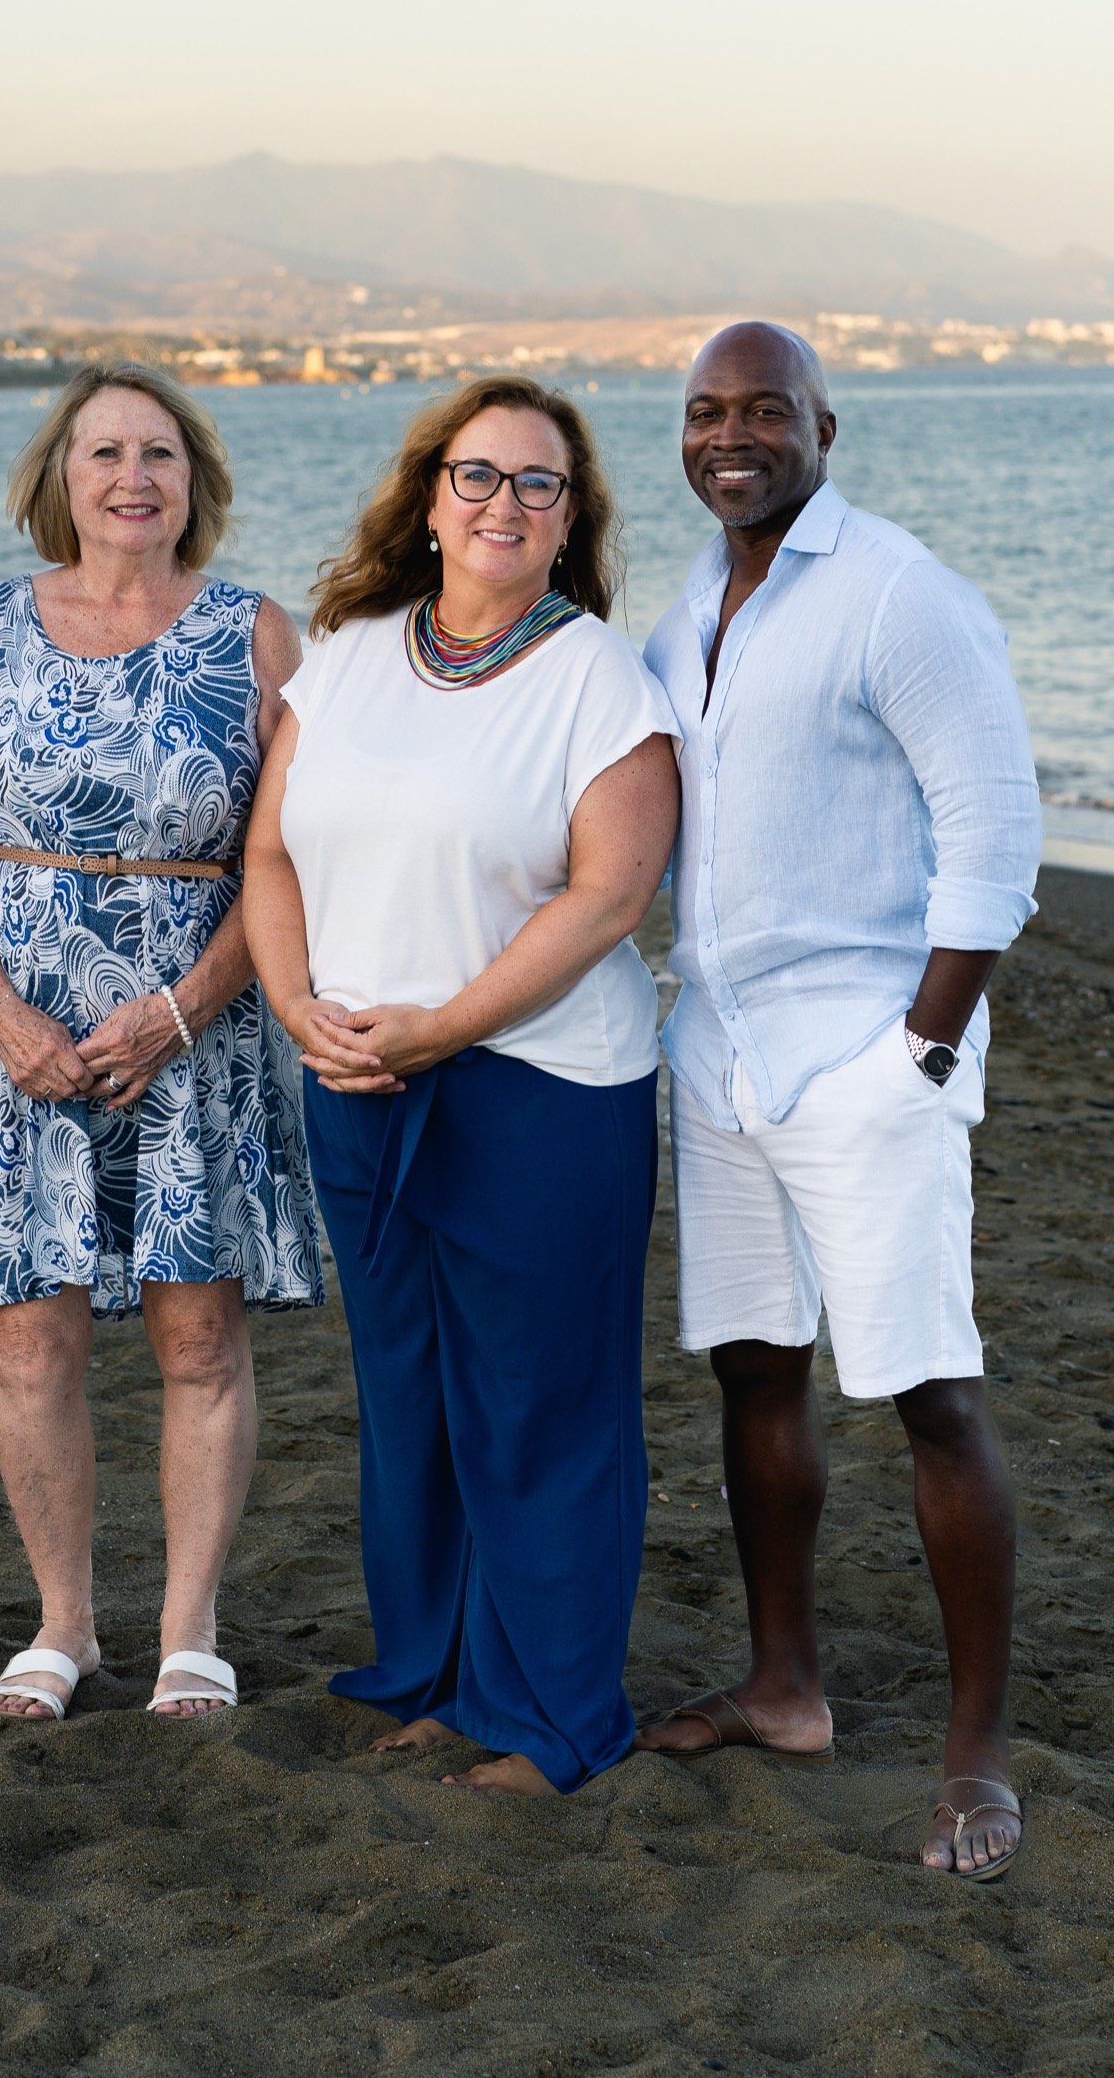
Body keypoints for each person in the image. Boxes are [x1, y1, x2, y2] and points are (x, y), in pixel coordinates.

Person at [637, 321, 1041, 1881]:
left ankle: (977, 1758)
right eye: (705, 413)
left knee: (928, 1392)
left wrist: (920, 1057)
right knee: (757, 1379)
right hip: (721, 1060)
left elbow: (994, 840)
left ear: (826, 425)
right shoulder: (687, 612)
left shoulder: (898, 594)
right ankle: (786, 1686)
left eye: (764, 412)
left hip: (868, 1061)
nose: (732, 436)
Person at [242, 373, 680, 1797]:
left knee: (541, 1406)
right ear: (429, 500)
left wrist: (441, 1030)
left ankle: (548, 1719)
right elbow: (271, 858)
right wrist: (299, 1003)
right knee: (411, 1396)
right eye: (478, 476)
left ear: (571, 524)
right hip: (353, 1080)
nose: (504, 503)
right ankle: (438, 1676)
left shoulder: (600, 683)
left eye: (537, 485)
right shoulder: (351, 653)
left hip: (539, 1090)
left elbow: (610, 899)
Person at [0, 361, 320, 1726]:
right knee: (31, 1345)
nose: (133, 479)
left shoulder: (258, 633)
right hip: (13, 1037)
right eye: (105, 454)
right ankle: (64, 1630)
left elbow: (289, 853)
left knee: (198, 1340)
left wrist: (180, 1010)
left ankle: (190, 1633)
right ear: (60, 478)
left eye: (159, 454)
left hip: (193, 1032)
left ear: (195, 481)